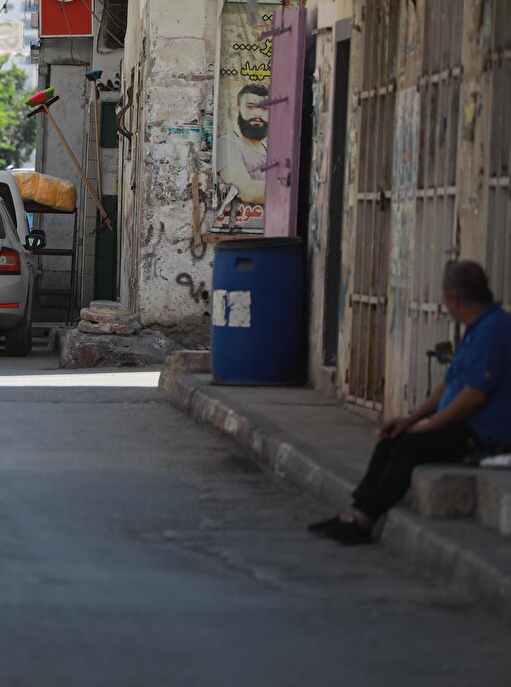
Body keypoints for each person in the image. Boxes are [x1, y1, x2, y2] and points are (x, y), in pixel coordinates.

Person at [309, 261, 511, 545]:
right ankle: (353, 510)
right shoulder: (476, 329)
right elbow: (450, 384)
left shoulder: (495, 329)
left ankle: (365, 519)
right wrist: (411, 420)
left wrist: (429, 427)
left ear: (454, 300)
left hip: (483, 437)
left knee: (409, 447)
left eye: (444, 299)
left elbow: (473, 397)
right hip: (461, 428)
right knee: (392, 438)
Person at [216, 84, 269, 205]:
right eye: (250, 107)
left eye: (264, 109)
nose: (258, 114)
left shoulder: (269, 149)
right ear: (237, 110)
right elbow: (247, 191)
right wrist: (292, 188)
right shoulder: (226, 144)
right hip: (240, 223)